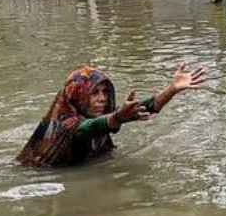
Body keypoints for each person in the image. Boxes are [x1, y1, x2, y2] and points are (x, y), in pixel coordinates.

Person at [17, 63, 206, 167]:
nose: (102, 99)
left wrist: (172, 89)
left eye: (105, 92)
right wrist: (118, 118)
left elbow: (146, 107)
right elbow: (88, 128)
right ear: (77, 95)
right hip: (42, 175)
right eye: (94, 93)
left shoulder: (100, 116)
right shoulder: (65, 124)